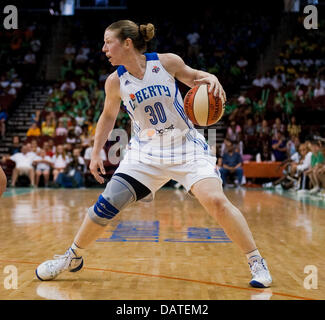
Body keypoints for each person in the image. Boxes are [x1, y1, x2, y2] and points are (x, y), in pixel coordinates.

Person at [36, 20, 272, 288]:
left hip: (185, 147)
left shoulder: (166, 62)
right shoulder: (115, 82)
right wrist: (95, 153)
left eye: (108, 42)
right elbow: (108, 116)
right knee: (105, 206)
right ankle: (72, 257)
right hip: (145, 153)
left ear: (127, 43)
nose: (103, 48)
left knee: (216, 202)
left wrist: (212, 78)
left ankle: (256, 262)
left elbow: (196, 77)